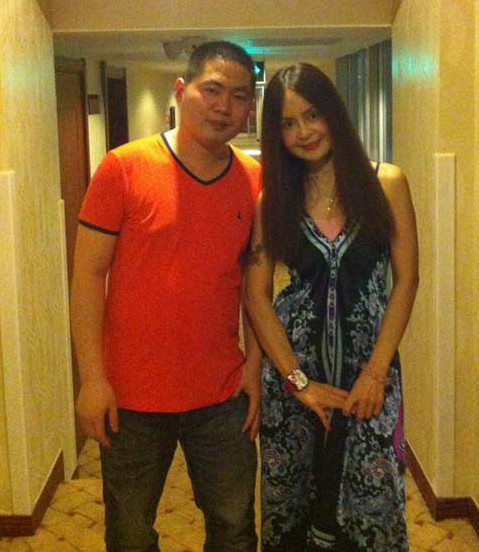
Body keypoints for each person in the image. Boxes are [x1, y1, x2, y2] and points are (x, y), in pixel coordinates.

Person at [70, 41, 262, 552]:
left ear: (250, 107)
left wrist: (255, 363)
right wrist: (92, 379)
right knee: (130, 535)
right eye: (212, 90)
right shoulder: (123, 167)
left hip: (222, 394)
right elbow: (87, 276)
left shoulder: (254, 180)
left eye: (239, 96)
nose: (224, 107)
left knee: (234, 529)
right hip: (130, 397)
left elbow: (256, 286)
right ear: (181, 90)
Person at [245, 63, 419, 551]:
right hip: (294, 387)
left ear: (334, 113)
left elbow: (407, 280)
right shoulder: (273, 201)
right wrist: (297, 382)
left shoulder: (386, 182)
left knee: (371, 510)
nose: (304, 132)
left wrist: (376, 373)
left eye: (313, 115)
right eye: (288, 123)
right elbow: (256, 294)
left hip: (370, 382)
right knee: (292, 512)